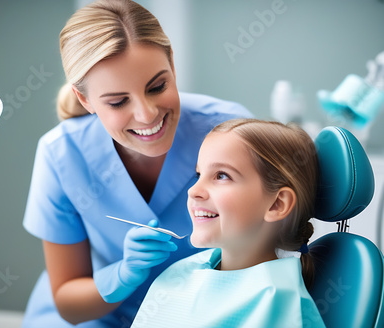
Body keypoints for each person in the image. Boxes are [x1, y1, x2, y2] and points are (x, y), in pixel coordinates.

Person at [22, 0, 252, 326]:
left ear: (172, 62)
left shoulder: (231, 130)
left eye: (157, 86)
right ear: (84, 99)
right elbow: (69, 304)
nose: (147, 115)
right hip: (96, 316)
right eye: (118, 101)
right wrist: (122, 275)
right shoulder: (61, 155)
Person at [131, 119, 326, 328]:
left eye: (221, 175)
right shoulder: (184, 271)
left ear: (276, 204)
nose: (193, 190)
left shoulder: (278, 304)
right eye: (199, 174)